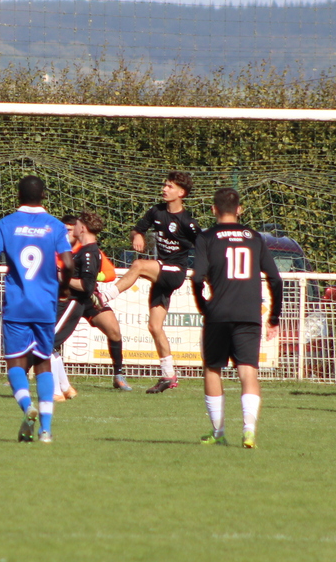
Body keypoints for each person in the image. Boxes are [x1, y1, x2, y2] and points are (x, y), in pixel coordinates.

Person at [0, 176, 74, 443]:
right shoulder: (55, 225)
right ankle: (45, 430)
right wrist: (63, 288)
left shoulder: (6, 223)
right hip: (45, 304)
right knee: (43, 363)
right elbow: (68, 263)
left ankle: (27, 406)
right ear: (43, 195)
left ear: (18, 195)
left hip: (17, 305)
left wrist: (0, 255)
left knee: (16, 364)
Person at [188, 188, 282, 448]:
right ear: (239, 210)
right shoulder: (254, 237)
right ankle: (249, 431)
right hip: (249, 314)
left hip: (218, 313)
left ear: (213, 209)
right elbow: (275, 279)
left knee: (212, 368)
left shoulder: (206, 237)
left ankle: (218, 432)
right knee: (248, 371)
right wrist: (274, 316)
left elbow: (197, 277)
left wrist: (203, 305)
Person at [132, 171, 202, 393]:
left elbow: (204, 247)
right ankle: (168, 375)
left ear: (181, 193)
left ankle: (107, 295)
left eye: (170, 186)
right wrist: (137, 235)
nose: (164, 189)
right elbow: (138, 228)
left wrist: (207, 271)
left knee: (138, 265)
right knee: (154, 326)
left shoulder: (188, 222)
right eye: (165, 185)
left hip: (175, 272)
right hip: (162, 272)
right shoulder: (156, 211)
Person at [51, 211, 133, 398]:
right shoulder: (58, 250)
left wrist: (86, 277)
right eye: (64, 230)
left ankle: (118, 374)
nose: (67, 233)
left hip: (83, 298)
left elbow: (107, 275)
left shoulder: (88, 252)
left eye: (70, 229)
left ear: (81, 229)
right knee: (48, 341)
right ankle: (62, 386)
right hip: (68, 298)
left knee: (113, 330)